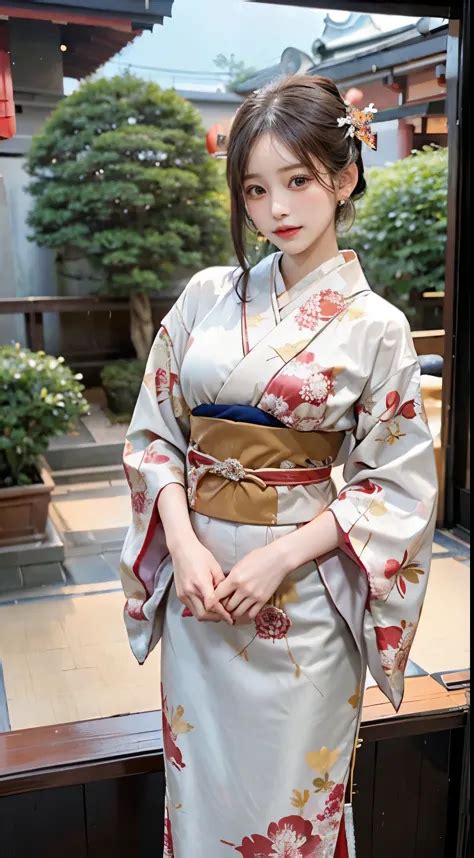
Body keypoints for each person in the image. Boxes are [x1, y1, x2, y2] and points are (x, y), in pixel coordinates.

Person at [119, 74, 438, 857]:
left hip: (298, 601)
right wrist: (185, 545)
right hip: (202, 599)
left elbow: (394, 485)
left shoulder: (378, 327)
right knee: (201, 798)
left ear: (345, 175)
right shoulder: (203, 296)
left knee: (293, 806)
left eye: (298, 181)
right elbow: (154, 436)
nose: (277, 211)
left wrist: (280, 559)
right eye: (256, 190)